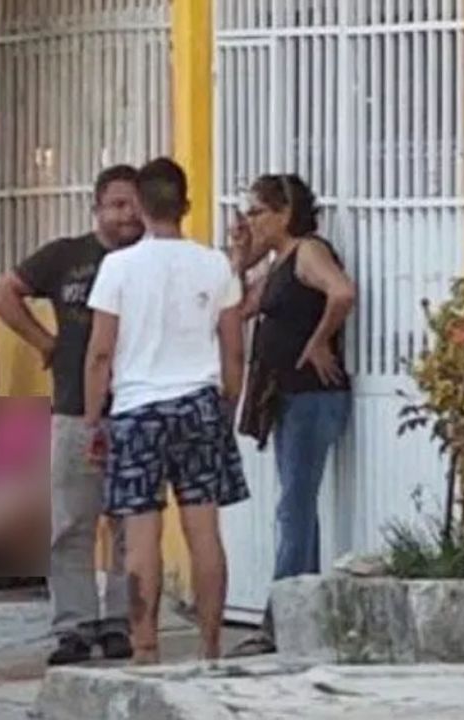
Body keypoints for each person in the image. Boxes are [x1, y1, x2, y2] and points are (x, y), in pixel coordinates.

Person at [83, 157, 248, 665]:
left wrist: (94, 419)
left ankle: (145, 646)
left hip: (136, 410)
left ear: (141, 205)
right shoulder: (215, 265)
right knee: (204, 531)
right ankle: (211, 645)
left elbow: (100, 353)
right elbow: (233, 350)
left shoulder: (118, 267)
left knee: (141, 537)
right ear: (187, 205)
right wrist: (227, 405)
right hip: (199, 404)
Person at [0, 165, 144, 665]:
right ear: (96, 209)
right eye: (116, 204)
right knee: (72, 524)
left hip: (137, 410)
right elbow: (0, 293)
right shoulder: (65, 257)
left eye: (134, 204)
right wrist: (44, 343)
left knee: (128, 525)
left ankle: (121, 622)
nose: (126, 214)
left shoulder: (149, 261)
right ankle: (74, 627)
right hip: (75, 409)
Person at [230, 173, 356, 654]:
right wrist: (240, 260)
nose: (251, 223)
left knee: (294, 506)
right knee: (297, 505)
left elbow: (341, 292)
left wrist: (319, 340)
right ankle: (300, 607)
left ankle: (279, 617)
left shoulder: (307, 251)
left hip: (311, 395)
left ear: (284, 213)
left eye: (257, 213)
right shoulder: (278, 264)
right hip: (286, 396)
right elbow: (237, 309)